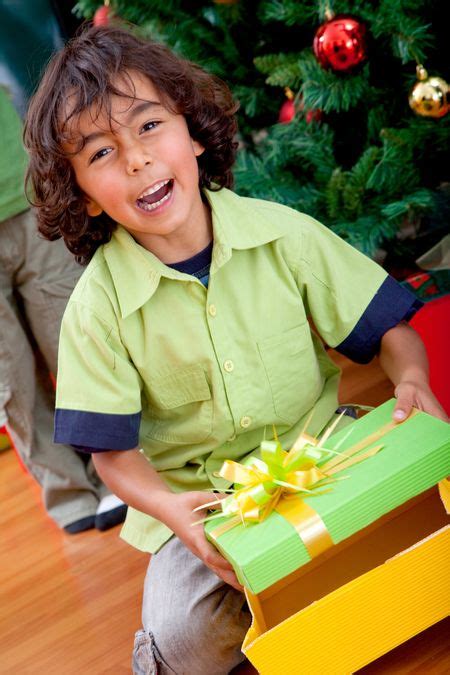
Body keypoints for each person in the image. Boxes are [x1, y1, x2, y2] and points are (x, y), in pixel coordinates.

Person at [24, 25, 448, 674]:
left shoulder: (284, 235)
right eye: (101, 153)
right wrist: (171, 509)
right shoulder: (96, 311)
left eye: (147, 126)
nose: (136, 158)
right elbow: (110, 454)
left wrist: (412, 376)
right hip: (205, 510)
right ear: (81, 191)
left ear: (192, 132)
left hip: (328, 448)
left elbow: (388, 326)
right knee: (188, 642)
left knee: (432, 503)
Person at [0, 85, 126, 533]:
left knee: (72, 339)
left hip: (26, 195)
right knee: (10, 378)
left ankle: (112, 468)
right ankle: (68, 491)